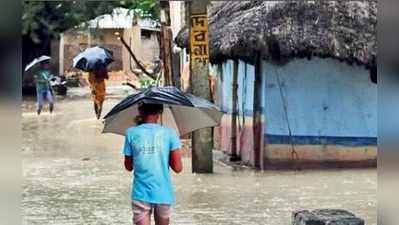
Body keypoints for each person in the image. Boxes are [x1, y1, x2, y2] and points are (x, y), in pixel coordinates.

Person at [122, 103, 183, 225]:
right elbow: (178, 168)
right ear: (160, 112)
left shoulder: (131, 133)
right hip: (163, 192)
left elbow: (128, 167)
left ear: (140, 111)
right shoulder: (170, 133)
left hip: (141, 193)